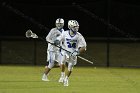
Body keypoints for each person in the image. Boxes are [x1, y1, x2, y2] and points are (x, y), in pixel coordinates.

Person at [56, 20, 87, 86]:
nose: (76, 28)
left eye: (77, 27)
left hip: (73, 53)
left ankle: (66, 79)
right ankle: (62, 75)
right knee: (62, 62)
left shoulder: (79, 36)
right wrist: (57, 41)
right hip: (65, 51)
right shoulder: (65, 33)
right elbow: (59, 39)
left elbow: (84, 47)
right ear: (70, 27)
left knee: (70, 67)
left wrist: (77, 52)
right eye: (74, 27)